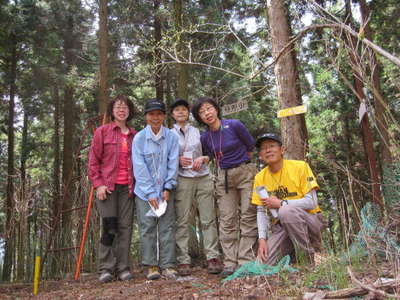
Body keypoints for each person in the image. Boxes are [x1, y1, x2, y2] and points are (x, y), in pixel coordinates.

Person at [191, 97, 258, 277]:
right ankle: (230, 262)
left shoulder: (234, 125)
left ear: (216, 109)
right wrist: (205, 158)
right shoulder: (205, 137)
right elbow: (211, 155)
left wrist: (240, 164)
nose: (207, 113)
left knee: (248, 216)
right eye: (202, 112)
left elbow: (250, 147)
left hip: (245, 173)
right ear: (199, 117)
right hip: (224, 177)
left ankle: (246, 261)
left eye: (209, 108)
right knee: (227, 220)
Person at [251, 133, 324, 266]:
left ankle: (307, 260)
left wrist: (281, 203)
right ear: (261, 155)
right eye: (263, 148)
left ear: (282, 150)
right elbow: (261, 210)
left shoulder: (300, 167)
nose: (268, 150)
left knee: (286, 211)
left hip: (310, 220)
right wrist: (262, 239)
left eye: (272, 146)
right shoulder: (260, 177)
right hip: (282, 226)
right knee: (262, 264)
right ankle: (293, 254)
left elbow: (312, 202)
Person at [170, 98, 223, 276]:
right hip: (183, 178)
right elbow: (164, 157)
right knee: (183, 220)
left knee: (207, 219)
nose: (180, 113)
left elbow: (210, 153)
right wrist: (177, 160)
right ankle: (183, 260)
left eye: (184, 110)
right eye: (177, 110)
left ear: (188, 113)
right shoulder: (169, 134)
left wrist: (204, 159)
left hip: (203, 177)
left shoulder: (199, 132)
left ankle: (212, 257)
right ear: (172, 114)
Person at [88, 95, 137, 283]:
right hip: (107, 188)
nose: (121, 110)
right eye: (118, 107)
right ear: (112, 111)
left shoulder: (135, 135)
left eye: (125, 107)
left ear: (129, 111)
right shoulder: (102, 132)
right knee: (110, 227)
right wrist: (98, 184)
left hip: (128, 189)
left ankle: (123, 268)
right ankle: (106, 268)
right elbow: (93, 162)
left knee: (126, 228)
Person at [133, 98, 179, 280]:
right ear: (146, 116)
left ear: (164, 116)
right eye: (151, 114)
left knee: (167, 227)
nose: (155, 118)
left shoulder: (171, 137)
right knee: (147, 227)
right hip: (144, 192)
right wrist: (150, 192)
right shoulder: (139, 138)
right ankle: (151, 265)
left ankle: (168, 265)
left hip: (166, 190)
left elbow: (173, 163)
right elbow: (139, 166)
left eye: (159, 114)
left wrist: (168, 187)